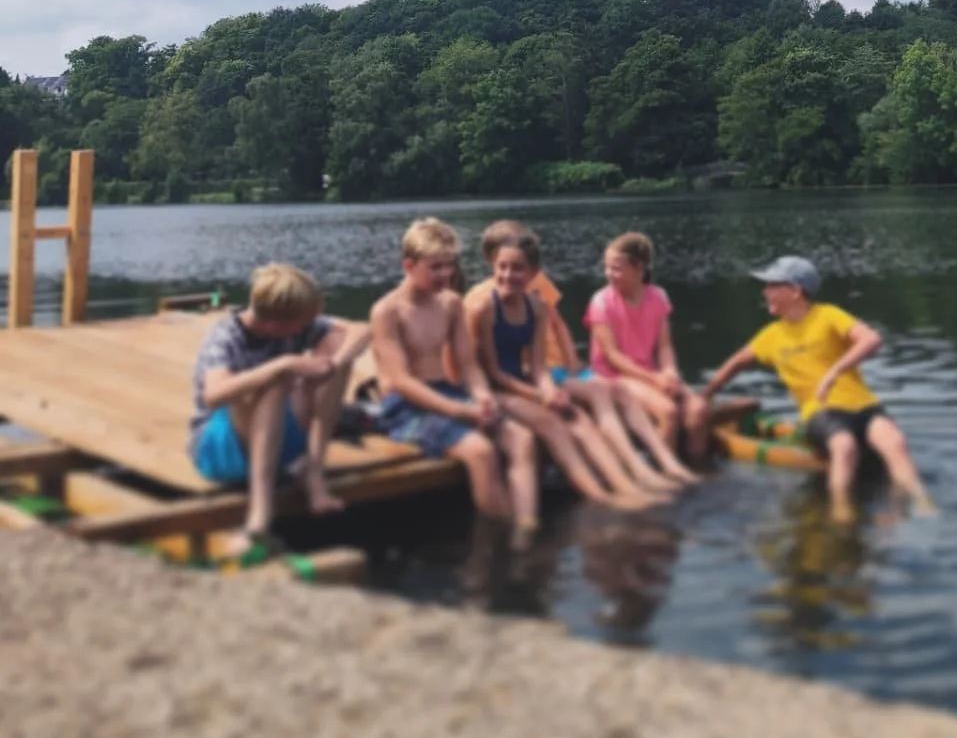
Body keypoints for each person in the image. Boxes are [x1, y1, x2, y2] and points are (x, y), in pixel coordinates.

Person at [700, 256, 935, 523]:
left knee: (895, 442)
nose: (765, 292)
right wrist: (705, 396)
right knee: (844, 446)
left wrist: (834, 372)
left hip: (863, 406)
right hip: (821, 413)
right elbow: (735, 364)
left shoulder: (828, 315)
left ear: (796, 291)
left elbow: (871, 339)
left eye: (772, 285)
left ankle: (922, 502)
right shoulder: (770, 336)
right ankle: (841, 511)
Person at [463, 221, 655, 510]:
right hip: (494, 388)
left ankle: (624, 487)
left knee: (579, 418)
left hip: (521, 380)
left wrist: (549, 388)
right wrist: (543, 395)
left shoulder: (536, 306)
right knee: (554, 423)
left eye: (517, 269)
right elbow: (491, 373)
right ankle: (600, 497)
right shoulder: (482, 307)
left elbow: (537, 366)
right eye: (502, 266)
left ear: (532, 273)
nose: (508, 275)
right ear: (492, 263)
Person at [190, 262, 370, 563]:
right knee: (274, 384)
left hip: (275, 442)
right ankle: (260, 515)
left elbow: (362, 332)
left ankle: (312, 472)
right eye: (302, 323)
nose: (307, 328)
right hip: (221, 450)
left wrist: (332, 366)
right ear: (276, 323)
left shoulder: (298, 325)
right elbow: (214, 394)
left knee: (338, 359)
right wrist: (281, 365)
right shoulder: (225, 336)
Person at [369, 217, 540, 535]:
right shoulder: (387, 312)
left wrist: (481, 395)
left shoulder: (451, 303)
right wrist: (461, 411)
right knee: (481, 451)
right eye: (435, 267)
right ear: (409, 265)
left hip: (448, 392)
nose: (446, 274)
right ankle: (505, 537)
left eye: (449, 265)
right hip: (406, 406)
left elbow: (468, 365)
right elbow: (401, 381)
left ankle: (526, 526)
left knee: (522, 438)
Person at [584, 231, 709, 469]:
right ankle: (665, 473)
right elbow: (613, 357)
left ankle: (698, 466)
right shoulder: (600, 301)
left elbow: (664, 346)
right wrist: (655, 378)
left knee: (699, 409)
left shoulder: (658, 296)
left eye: (617, 268)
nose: (609, 274)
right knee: (668, 412)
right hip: (612, 377)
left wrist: (670, 372)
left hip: (648, 373)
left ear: (639, 267)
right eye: (607, 267)